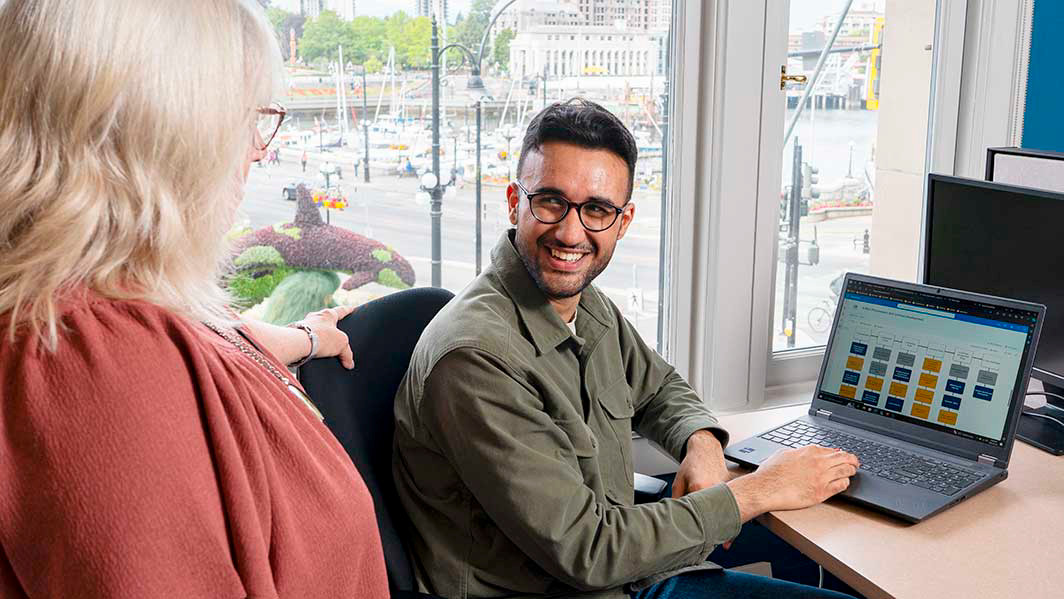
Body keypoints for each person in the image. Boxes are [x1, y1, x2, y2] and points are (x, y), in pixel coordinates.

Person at [393, 99, 860, 599]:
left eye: (596, 209)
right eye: (550, 201)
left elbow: (657, 389)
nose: (571, 233)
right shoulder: (474, 358)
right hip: (579, 583)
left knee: (836, 555)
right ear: (514, 201)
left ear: (623, 220)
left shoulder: (580, 302)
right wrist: (759, 489)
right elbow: (588, 551)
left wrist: (702, 443)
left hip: (627, 567)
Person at [0, 1, 388, 596]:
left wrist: (311, 335)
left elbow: (222, 344)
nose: (258, 149)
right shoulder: (91, 354)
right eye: (247, 117)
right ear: (169, 133)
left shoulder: (123, 309)